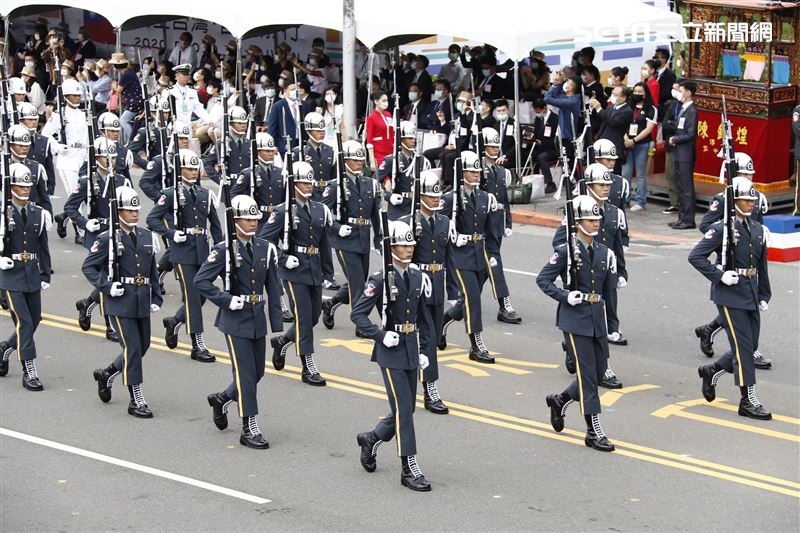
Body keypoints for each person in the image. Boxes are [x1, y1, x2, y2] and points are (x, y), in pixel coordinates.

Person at [352, 220, 434, 492]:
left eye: (411, 244)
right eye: (402, 244)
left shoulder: (419, 277)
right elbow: (358, 314)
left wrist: (424, 351)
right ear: (391, 246)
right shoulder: (379, 279)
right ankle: (409, 467)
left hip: (411, 349)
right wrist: (379, 334)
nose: (408, 249)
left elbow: (424, 320)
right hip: (390, 351)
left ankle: (372, 438)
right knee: (404, 412)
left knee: (406, 409)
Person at [198, 195, 284, 449]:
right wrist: (225, 300)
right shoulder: (224, 249)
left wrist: (276, 323)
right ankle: (250, 427)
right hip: (234, 319)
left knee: (257, 371)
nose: (252, 223)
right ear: (235, 220)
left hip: (256, 316)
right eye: (247, 218)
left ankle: (223, 398)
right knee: (246, 375)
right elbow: (201, 281)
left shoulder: (265, 248)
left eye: (255, 218)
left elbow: (274, 286)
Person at [690, 179, 772, 421]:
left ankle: (712, 371)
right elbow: (696, 256)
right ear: (734, 202)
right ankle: (748, 399)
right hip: (729, 296)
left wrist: (765, 294)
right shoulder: (722, 229)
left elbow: (761, 265)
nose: (751, 203)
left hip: (751, 292)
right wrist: (720, 276)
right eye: (745, 200)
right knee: (744, 349)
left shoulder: (757, 229)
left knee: (750, 345)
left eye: (752, 199)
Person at [540, 195, 617, 452]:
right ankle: (593, 430)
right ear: (578, 221)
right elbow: (544, 280)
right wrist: (565, 295)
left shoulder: (605, 252)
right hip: (575, 320)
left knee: (598, 371)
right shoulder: (566, 251)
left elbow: (609, 292)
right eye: (590, 219)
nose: (595, 223)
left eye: (597, 219)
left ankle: (561, 400)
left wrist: (612, 323)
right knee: (587, 378)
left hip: (597, 318)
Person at [86, 186, 163, 418]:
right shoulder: (107, 238)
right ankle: (136, 398)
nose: (134, 213)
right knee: (132, 348)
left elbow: (152, 270)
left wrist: (156, 296)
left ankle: (108, 373)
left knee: (144, 346)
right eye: (129, 210)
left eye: (136, 209)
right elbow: (89, 267)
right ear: (118, 211)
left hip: (141, 298)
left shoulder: (147, 236)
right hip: (120, 301)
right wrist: (108, 286)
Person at [261, 161, 335, 386]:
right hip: (294, 271)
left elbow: (324, 243)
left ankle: (283, 341)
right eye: (302, 181)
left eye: (309, 181)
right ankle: (308, 365)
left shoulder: (319, 209)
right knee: (303, 317)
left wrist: (327, 273)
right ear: (292, 183)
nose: (308, 185)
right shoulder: (283, 212)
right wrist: (283, 258)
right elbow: (264, 241)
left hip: (312, 268)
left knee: (312, 317)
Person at [148, 149, 223, 363]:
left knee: (201, 296)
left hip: (202, 250)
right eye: (188, 169)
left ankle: (174, 321)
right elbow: (152, 220)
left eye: (194, 168)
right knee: (192, 296)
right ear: (179, 170)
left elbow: (215, 226)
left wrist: (221, 250)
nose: (192, 172)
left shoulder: (205, 194)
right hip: (183, 252)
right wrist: (171, 234)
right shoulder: (170, 194)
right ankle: (197, 344)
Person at [694, 162, 771, 370]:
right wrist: (725, 243)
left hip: (749, 276)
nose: (748, 176)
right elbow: (704, 227)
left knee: (747, 338)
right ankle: (747, 397)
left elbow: (757, 231)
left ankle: (713, 357)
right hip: (729, 270)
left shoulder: (754, 199)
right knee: (742, 342)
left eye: (750, 173)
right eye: (744, 173)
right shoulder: (723, 200)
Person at [67, 138, 132, 342]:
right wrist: (85, 223)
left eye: (114, 156)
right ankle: (110, 324)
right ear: (97, 158)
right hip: (98, 234)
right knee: (107, 276)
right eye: (107, 156)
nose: (111, 160)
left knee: (112, 276)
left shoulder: (122, 181)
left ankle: (87, 304)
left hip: (116, 232)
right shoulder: (88, 180)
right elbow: (70, 207)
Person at [439, 151, 499, 363]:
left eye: (477, 170)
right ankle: (476, 345)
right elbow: (438, 225)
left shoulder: (484, 198)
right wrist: (453, 236)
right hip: (460, 257)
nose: (476, 174)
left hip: (479, 255)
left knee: (466, 300)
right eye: (471, 170)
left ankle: (443, 322)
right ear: (460, 172)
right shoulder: (450, 199)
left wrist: (493, 255)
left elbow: (491, 231)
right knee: (473, 300)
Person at [399, 171, 451, 414]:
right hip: (417, 286)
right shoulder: (410, 221)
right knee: (426, 338)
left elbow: (449, 258)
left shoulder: (443, 222)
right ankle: (429, 388)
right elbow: (401, 257)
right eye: (430, 196)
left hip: (438, 284)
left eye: (437, 196)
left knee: (432, 335)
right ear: (420, 196)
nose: (435, 200)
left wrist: (452, 289)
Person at [320, 141, 382, 334]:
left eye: (360, 159)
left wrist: (379, 239)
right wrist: (337, 227)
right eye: (354, 159)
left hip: (362, 238)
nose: (358, 163)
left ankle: (331, 303)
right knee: (358, 284)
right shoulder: (336, 185)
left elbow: (376, 214)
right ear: (345, 160)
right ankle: (360, 324)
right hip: (344, 241)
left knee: (359, 281)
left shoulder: (369, 183)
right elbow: (322, 211)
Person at [0, 164, 52, 390]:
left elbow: (43, 247)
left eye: (27, 185)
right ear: (10, 186)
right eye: (20, 185)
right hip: (10, 276)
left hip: (31, 272)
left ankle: (6, 348)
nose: (25, 189)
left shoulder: (38, 213)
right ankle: (29, 370)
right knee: (24, 322)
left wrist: (45, 274)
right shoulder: (2, 212)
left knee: (36, 319)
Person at [481, 127, 521, 324]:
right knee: (494, 264)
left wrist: (508, 222)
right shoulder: (476, 170)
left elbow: (504, 200)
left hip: (496, 226)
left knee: (482, 268)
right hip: (481, 227)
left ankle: (461, 304)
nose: (496, 149)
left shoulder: (500, 171)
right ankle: (504, 306)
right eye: (491, 145)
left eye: (497, 145)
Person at [375, 121, 431, 220]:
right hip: (398, 208)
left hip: (417, 207)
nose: (413, 141)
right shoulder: (391, 160)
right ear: (401, 139)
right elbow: (375, 181)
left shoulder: (422, 160)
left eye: (414, 138)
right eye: (410, 138)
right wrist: (388, 196)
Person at [667, 80, 698, 229]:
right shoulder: (684, 109)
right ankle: (681, 217)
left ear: (688, 93)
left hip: (686, 153)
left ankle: (688, 219)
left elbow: (691, 133)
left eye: (681, 90)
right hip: (679, 152)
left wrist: (675, 138)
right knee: (680, 186)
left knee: (686, 188)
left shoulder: (692, 110)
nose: (679, 93)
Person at [623, 83, 657, 212]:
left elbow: (649, 129)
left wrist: (635, 140)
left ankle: (640, 201)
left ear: (645, 93)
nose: (637, 94)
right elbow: (623, 123)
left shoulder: (651, 109)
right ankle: (625, 199)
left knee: (640, 173)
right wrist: (626, 139)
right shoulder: (629, 106)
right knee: (625, 173)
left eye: (640, 91)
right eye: (635, 91)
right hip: (627, 143)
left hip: (642, 144)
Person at [6, 124, 52, 215]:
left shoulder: (36, 167)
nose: (24, 149)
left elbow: (43, 197)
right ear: (11, 145)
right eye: (20, 145)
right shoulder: (3, 168)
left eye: (26, 146)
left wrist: (48, 215)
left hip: (31, 216)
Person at [590, 85, 632, 176]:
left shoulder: (627, 111)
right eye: (612, 94)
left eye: (615, 95)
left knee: (613, 176)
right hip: (602, 145)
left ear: (624, 98)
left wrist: (599, 108)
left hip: (614, 147)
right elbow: (603, 121)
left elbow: (612, 122)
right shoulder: (610, 108)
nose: (612, 96)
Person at [18, 103, 57, 197]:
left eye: (35, 119)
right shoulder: (14, 142)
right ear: (21, 121)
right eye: (30, 119)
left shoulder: (44, 141)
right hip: (21, 189)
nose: (34, 122)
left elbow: (49, 168)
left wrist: (50, 191)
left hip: (40, 191)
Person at [545, 73, 582, 168]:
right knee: (565, 163)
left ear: (571, 88)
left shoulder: (572, 101)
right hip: (562, 134)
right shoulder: (566, 97)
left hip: (568, 137)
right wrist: (559, 82)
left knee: (570, 163)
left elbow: (548, 98)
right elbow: (556, 94)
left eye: (567, 82)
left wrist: (555, 84)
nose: (565, 84)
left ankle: (576, 180)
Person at [109, 53, 144, 143]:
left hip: (134, 102)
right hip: (135, 100)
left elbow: (118, 90)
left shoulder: (125, 75)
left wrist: (114, 86)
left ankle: (133, 140)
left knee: (123, 120)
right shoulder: (130, 72)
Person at [530, 99, 560, 194]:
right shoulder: (538, 119)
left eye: (538, 111)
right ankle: (534, 181)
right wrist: (531, 138)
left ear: (545, 108)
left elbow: (555, 140)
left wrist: (542, 143)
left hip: (552, 148)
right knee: (529, 154)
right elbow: (535, 134)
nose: (537, 113)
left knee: (541, 157)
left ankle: (550, 183)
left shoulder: (555, 119)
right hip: (540, 147)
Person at [592, 138, 630, 211]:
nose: (612, 163)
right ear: (597, 159)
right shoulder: (585, 181)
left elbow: (621, 211)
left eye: (613, 159)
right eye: (608, 159)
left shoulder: (621, 182)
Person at [267, 81, 301, 156]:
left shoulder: (303, 105)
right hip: (284, 145)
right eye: (292, 89)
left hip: (300, 143)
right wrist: (272, 145)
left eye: (297, 89)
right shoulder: (278, 106)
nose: (295, 91)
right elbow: (272, 127)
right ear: (285, 92)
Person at [365, 91, 394, 172]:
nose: (386, 103)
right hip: (379, 154)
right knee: (386, 181)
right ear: (376, 101)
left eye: (387, 100)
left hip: (391, 153)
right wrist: (372, 160)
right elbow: (369, 141)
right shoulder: (371, 118)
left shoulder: (388, 115)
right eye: (383, 101)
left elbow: (392, 133)